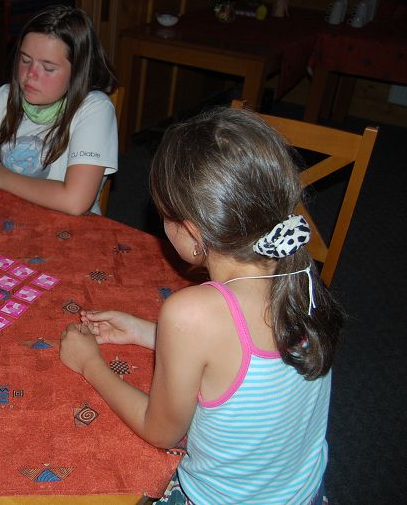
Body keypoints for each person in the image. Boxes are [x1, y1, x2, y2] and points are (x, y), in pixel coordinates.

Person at [59, 107, 341, 504]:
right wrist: (146, 332)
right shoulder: (299, 274)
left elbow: (161, 432)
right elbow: (234, 357)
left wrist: (90, 362)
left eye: (164, 217)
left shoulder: (191, 313)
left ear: (193, 234)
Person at [0, 4, 118, 216]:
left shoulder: (95, 109)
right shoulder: (7, 97)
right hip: (11, 213)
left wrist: (3, 177)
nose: (30, 75)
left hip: (72, 227)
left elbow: (75, 201)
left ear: (78, 72)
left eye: (48, 68)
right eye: (25, 60)